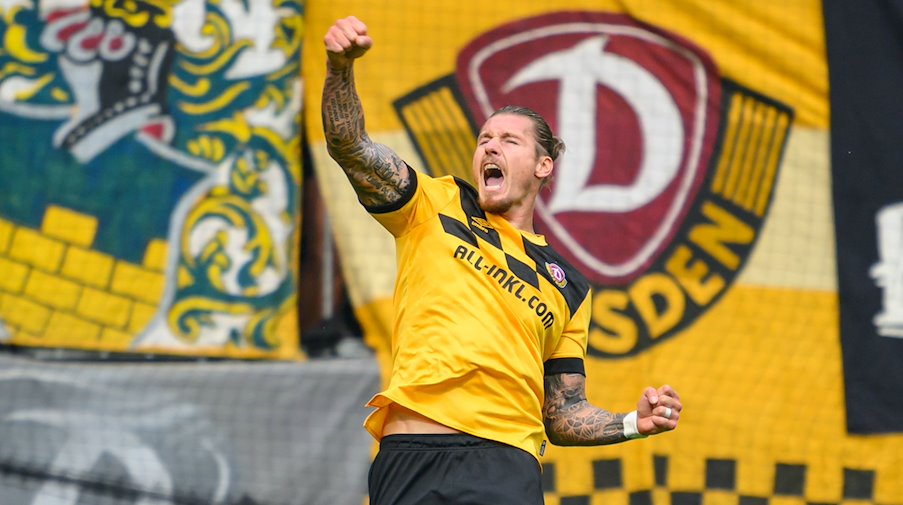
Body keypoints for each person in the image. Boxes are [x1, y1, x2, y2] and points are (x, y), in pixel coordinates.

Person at [322, 16, 683, 505]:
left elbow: (563, 414)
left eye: (509, 140)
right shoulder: (434, 203)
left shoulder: (570, 286)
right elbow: (350, 146)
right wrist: (340, 67)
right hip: (410, 452)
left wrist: (632, 424)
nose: (489, 145)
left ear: (543, 166)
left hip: (504, 461)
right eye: (484, 139)